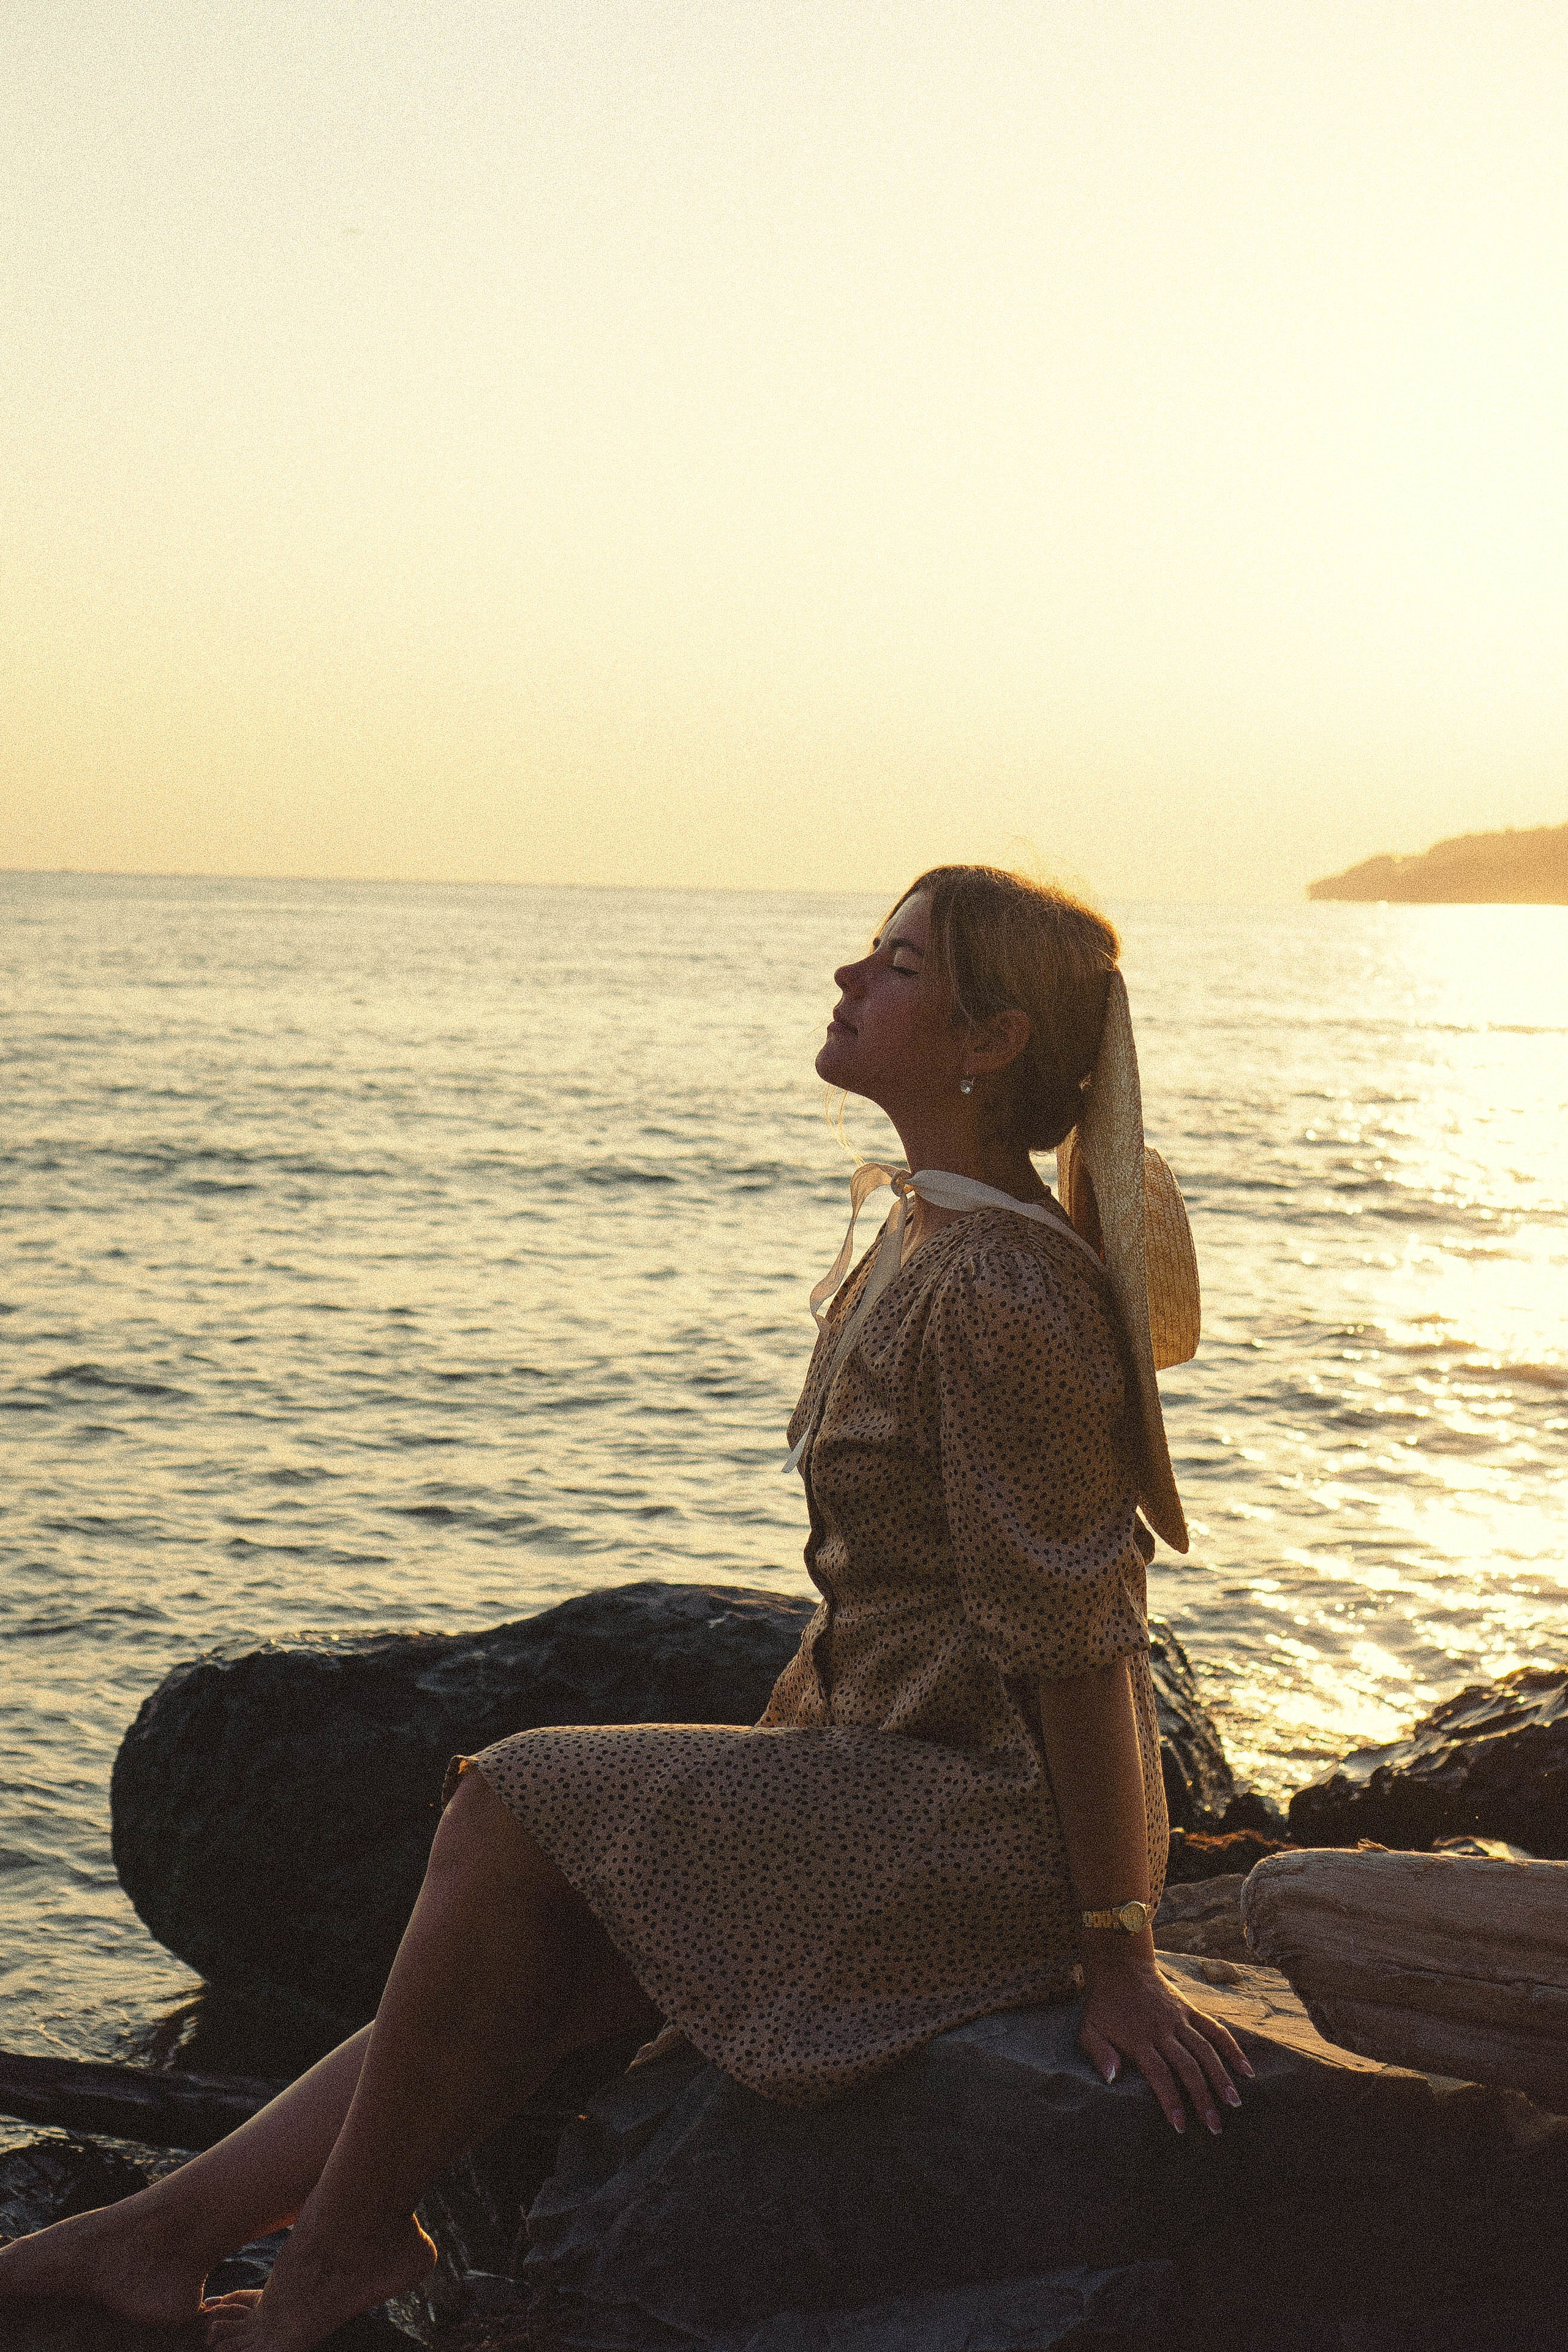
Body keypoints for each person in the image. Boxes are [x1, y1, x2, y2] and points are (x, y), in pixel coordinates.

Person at [0, 863, 1250, 2352]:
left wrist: (1118, 1951)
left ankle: (335, 2253)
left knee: (509, 1801)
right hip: (879, 1768)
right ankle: (155, 2237)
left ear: (988, 1039)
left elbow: (1084, 1649)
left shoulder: (998, 1291)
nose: (850, 978)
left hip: (979, 1821)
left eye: (897, 965)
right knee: (528, 1967)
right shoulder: (925, 1240)